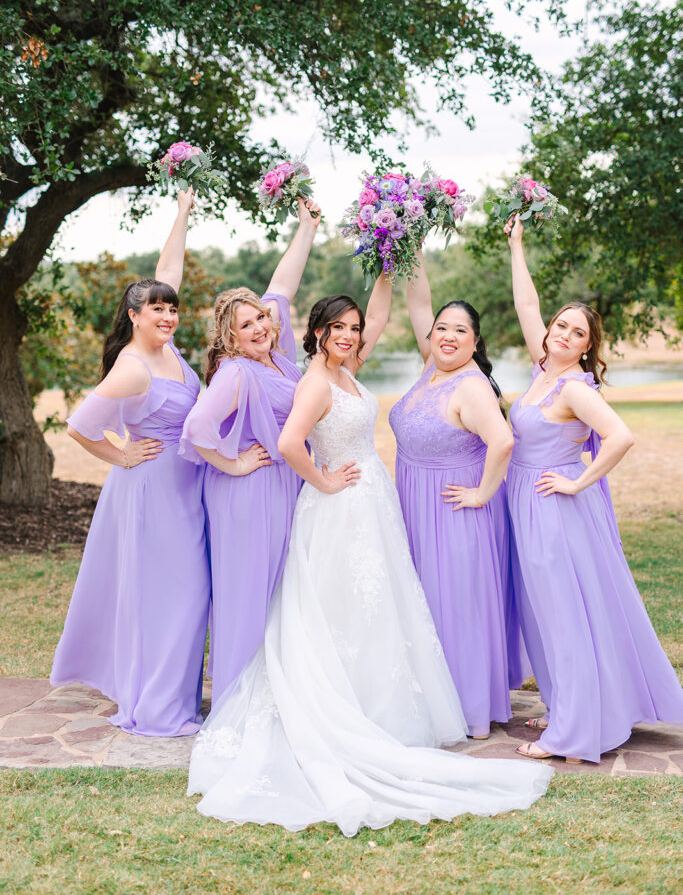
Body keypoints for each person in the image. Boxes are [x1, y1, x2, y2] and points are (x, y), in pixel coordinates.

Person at [187, 282, 552, 836]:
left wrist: (390, 267)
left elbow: (383, 317)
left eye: (354, 330)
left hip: (371, 502)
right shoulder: (312, 381)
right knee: (341, 607)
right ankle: (352, 710)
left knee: (377, 605)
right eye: (339, 329)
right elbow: (290, 444)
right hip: (339, 503)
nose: (350, 337)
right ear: (317, 334)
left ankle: (382, 705)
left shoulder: (344, 371)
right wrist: (323, 479)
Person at [506, 214, 683, 763]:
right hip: (523, 505)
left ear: (587, 347)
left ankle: (572, 735)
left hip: (552, 508)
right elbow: (526, 306)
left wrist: (578, 480)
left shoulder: (574, 388)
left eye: (576, 332)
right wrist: (516, 245)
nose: (562, 334)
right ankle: (566, 705)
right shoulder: (541, 369)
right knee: (542, 616)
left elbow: (620, 437)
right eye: (560, 326)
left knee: (563, 617)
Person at [51, 190, 210, 737]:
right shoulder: (134, 367)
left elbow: (168, 271)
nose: (168, 315)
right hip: (153, 490)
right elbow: (78, 426)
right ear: (133, 315)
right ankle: (159, 706)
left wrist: (183, 214)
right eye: (157, 309)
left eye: (172, 308)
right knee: (174, 593)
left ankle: (174, 694)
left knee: (188, 593)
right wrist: (120, 456)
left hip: (186, 487)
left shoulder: (166, 348)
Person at [179, 197, 320, 705]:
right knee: (247, 592)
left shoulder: (279, 358)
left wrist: (305, 227)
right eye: (247, 325)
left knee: (279, 591)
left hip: (284, 484)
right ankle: (239, 703)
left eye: (261, 317)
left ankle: (275, 693)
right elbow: (197, 426)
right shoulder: (238, 372)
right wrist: (233, 462)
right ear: (232, 338)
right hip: (249, 490)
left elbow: (284, 283)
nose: (260, 326)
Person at [389, 252, 520, 738]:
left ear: (476, 341)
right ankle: (429, 700)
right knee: (423, 603)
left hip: (453, 509)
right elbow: (418, 298)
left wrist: (483, 494)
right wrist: (412, 244)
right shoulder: (432, 368)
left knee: (455, 604)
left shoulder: (471, 385)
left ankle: (466, 707)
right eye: (441, 328)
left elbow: (503, 441)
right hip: (414, 505)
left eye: (460, 331)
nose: (447, 335)